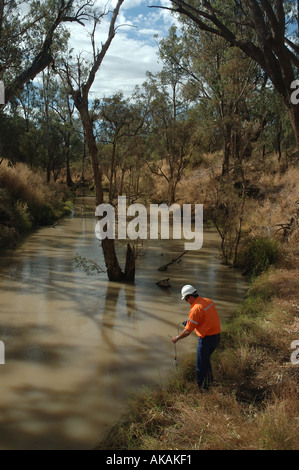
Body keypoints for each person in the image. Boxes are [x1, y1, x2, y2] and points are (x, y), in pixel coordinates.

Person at [171, 284, 221, 390]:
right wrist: (188, 322)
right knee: (206, 361)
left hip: (206, 340)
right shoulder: (208, 301)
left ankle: (203, 390)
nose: (186, 301)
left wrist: (177, 338)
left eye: (186, 299)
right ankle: (210, 382)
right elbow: (205, 318)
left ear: (190, 297)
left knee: (200, 366)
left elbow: (188, 331)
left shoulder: (195, 309)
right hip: (216, 337)